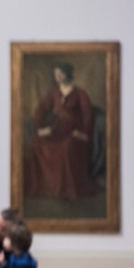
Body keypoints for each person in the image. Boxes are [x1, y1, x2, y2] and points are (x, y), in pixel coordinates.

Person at [26, 63, 98, 199]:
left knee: (67, 147)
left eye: (60, 74)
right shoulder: (54, 93)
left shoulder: (80, 93)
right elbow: (41, 108)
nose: (57, 76)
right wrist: (38, 126)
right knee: (36, 145)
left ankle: (66, 188)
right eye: (55, 74)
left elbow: (88, 114)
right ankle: (47, 186)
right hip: (57, 128)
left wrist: (84, 133)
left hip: (74, 130)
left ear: (67, 74)